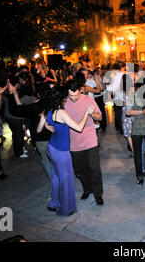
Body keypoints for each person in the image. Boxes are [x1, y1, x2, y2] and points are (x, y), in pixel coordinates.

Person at [37, 86, 93, 216]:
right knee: (66, 180)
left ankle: (54, 203)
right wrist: (86, 113)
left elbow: (38, 130)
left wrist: (46, 124)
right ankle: (65, 209)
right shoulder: (61, 113)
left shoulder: (47, 111)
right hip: (61, 152)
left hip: (51, 148)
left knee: (56, 177)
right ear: (62, 99)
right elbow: (79, 128)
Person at [64, 79, 104, 205]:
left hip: (90, 141)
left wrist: (92, 113)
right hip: (73, 143)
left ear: (80, 90)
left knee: (94, 169)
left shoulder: (88, 100)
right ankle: (87, 189)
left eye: (76, 95)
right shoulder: (64, 102)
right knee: (79, 171)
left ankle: (98, 194)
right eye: (71, 95)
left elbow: (100, 117)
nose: (74, 98)